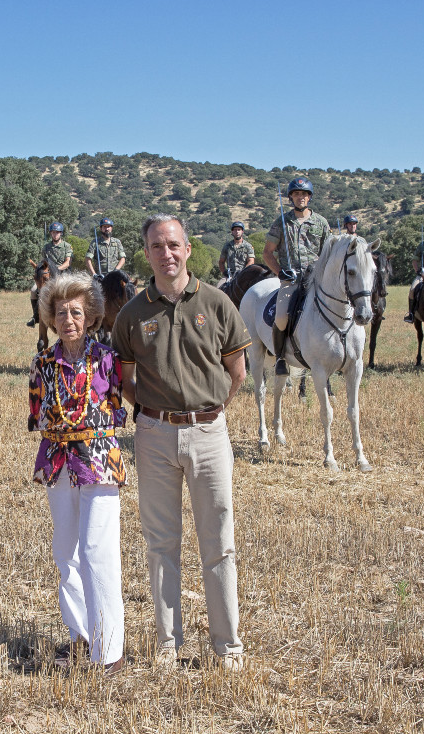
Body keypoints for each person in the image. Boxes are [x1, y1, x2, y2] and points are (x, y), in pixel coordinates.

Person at [111, 213, 251, 671]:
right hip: (153, 437)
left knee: (219, 544)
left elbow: (237, 373)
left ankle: (227, 648)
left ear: (188, 249)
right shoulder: (132, 313)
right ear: (146, 254)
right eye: (157, 246)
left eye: (173, 244)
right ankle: (168, 645)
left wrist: (207, 415)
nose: (166, 253)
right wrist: (157, 417)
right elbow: (124, 380)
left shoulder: (217, 303)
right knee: (161, 544)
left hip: (210, 434)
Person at [28, 271, 128, 674]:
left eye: (76, 312)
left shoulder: (108, 359)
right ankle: (81, 636)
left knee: (96, 552)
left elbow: (118, 407)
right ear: (50, 318)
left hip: (99, 459)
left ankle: (109, 651)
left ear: (90, 317)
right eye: (60, 312)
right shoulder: (42, 363)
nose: (68, 319)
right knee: (65, 552)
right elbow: (37, 414)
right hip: (57, 460)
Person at [264, 177, 330, 374]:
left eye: (304, 194)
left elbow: (328, 253)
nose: (300, 197)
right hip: (291, 281)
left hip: (316, 281)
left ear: (309, 197)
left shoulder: (321, 223)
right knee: (281, 318)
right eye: (296, 194)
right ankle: (280, 357)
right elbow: (267, 253)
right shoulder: (282, 222)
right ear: (291, 198)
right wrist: (280, 272)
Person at [218, 221, 255, 285]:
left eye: (239, 230)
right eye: (235, 230)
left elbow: (251, 261)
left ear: (242, 231)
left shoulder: (248, 246)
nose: (237, 232)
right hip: (230, 276)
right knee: (219, 286)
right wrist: (224, 272)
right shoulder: (227, 246)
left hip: (244, 275)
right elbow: (221, 262)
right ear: (232, 232)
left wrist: (243, 272)